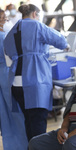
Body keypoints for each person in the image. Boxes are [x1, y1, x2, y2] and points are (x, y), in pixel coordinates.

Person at [3, 4, 69, 141]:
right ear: (35, 14)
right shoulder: (37, 26)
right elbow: (61, 41)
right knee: (38, 121)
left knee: (29, 120)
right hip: (34, 79)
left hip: (16, 82)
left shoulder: (12, 30)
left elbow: (8, 51)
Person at [0, 9, 28, 150]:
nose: (6, 21)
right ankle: (22, 145)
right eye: (4, 19)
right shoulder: (4, 37)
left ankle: (11, 146)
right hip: (7, 76)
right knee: (15, 113)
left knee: (5, 117)